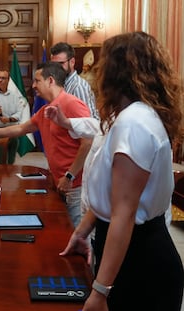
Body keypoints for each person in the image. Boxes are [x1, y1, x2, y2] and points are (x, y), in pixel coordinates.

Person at [58, 32, 184, 311]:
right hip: (127, 251)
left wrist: (101, 290)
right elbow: (113, 193)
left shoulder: (134, 123)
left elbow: (124, 214)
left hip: (139, 261)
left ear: (116, 73)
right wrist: (82, 231)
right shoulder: (130, 116)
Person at [0, 62, 92, 227]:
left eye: (37, 81)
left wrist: (70, 176)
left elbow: (88, 141)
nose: (33, 85)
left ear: (51, 81)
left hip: (75, 186)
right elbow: (20, 128)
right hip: (60, 182)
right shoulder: (47, 109)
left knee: (78, 236)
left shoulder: (72, 104)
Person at [50, 42, 99, 120]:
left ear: (72, 62)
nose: (57, 67)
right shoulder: (62, 83)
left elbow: (86, 122)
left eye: (61, 63)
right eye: (54, 64)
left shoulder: (78, 86)